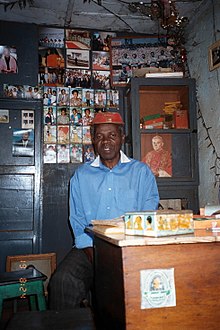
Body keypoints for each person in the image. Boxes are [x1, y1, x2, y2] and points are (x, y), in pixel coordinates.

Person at [48, 112, 159, 311]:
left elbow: (148, 215)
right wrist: (95, 254)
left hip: (131, 247)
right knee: (62, 282)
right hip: (90, 248)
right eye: (99, 136)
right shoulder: (81, 176)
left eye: (112, 135)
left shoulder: (141, 172)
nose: (105, 141)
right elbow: (77, 219)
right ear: (93, 140)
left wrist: (126, 250)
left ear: (122, 137)